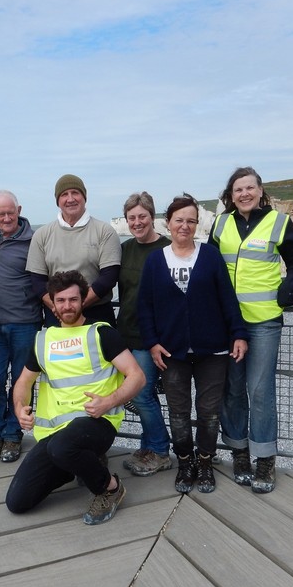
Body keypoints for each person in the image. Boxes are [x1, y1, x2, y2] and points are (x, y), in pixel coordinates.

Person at [5, 271, 145, 525]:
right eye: (61, 300)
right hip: (55, 432)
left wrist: (109, 401)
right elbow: (24, 382)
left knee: (63, 447)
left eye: (72, 299)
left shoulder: (101, 334)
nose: (67, 306)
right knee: (17, 502)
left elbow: (137, 376)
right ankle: (76, 466)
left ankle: (111, 488)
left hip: (96, 422)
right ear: (52, 303)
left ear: (82, 300)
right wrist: (19, 407)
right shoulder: (43, 339)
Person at [138, 194, 249, 494]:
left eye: (191, 220)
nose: (184, 226)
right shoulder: (155, 260)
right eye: (179, 220)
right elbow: (144, 306)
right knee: (178, 411)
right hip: (171, 351)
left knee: (209, 412)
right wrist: (152, 343)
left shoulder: (210, 255)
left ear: (197, 224)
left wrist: (238, 334)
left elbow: (227, 298)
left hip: (213, 350)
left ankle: (205, 463)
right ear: (168, 223)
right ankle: (185, 462)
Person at [209, 167, 293, 493]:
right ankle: (239, 452)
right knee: (233, 390)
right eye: (238, 190)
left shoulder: (278, 221)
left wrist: (287, 291)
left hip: (264, 320)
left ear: (260, 190)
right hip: (227, 322)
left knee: (260, 391)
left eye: (250, 188)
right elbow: (208, 265)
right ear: (231, 194)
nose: (244, 194)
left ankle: (265, 458)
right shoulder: (221, 223)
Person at [0, 190, 41, 463]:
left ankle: (14, 435)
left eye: (10, 212)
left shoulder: (34, 240)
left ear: (19, 210)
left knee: (21, 383)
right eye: (0, 213)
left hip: (26, 323)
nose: (5, 218)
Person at [116, 192, 173, 477]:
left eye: (142, 216)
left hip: (150, 337)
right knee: (141, 395)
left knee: (141, 396)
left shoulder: (167, 248)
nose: (137, 222)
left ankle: (161, 450)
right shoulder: (125, 249)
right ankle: (148, 446)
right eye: (131, 218)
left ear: (152, 217)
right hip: (124, 331)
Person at [26, 174, 121, 326]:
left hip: (97, 314)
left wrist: (75, 307)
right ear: (58, 201)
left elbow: (109, 277)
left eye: (75, 193)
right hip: (56, 316)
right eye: (64, 194)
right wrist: (60, 308)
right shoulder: (41, 234)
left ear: (84, 197)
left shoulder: (104, 231)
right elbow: (37, 281)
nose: (70, 199)